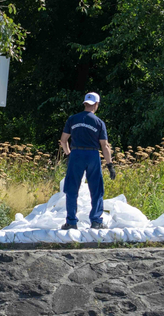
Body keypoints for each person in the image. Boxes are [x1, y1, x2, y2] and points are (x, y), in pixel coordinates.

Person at [58, 92, 116, 230]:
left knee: (72, 189)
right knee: (96, 189)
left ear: (85, 103)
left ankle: (71, 222)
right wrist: (110, 165)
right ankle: (96, 221)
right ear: (96, 104)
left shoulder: (72, 119)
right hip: (92, 155)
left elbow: (63, 140)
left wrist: (68, 155)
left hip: (76, 153)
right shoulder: (99, 122)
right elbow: (105, 145)